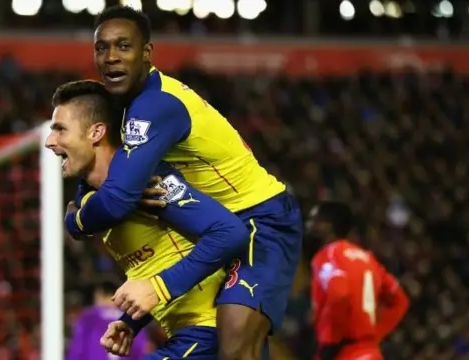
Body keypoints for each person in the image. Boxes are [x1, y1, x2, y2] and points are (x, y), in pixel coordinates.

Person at [64, 5, 303, 359]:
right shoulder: (123, 108)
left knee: (235, 346)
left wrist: (77, 219)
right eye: (102, 48)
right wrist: (132, 321)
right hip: (216, 222)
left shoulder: (156, 106)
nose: (111, 57)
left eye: (123, 46)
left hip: (260, 220)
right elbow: (104, 181)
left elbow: (115, 199)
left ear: (147, 53)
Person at [46, 80, 252, 359]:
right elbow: (160, 260)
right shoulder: (98, 200)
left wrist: (157, 288)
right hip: (190, 336)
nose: (50, 141)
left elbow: (231, 233)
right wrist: (132, 321)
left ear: (96, 132)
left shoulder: (151, 184)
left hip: (216, 332)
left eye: (60, 129)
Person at [306, 201, 410, 360]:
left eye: (315, 220)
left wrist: (330, 344)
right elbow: (400, 300)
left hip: (344, 353)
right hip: (369, 353)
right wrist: (373, 335)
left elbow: (339, 294)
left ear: (329, 226)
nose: (309, 224)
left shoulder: (327, 255)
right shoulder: (369, 260)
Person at [68, 280, 149, 360]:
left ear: (99, 294)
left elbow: (77, 350)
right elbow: (141, 349)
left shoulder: (88, 317)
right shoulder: (132, 319)